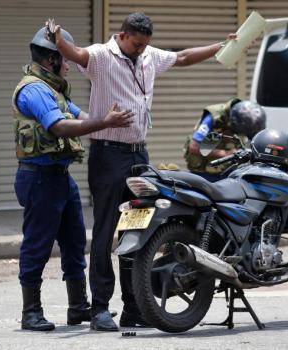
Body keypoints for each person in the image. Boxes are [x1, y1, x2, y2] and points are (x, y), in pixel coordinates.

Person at [47, 13, 238, 331]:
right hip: (108, 157)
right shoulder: (100, 57)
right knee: (107, 231)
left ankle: (133, 307)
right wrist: (58, 41)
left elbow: (184, 57)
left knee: (136, 230)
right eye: (136, 44)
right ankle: (100, 310)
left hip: (139, 156)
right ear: (122, 36)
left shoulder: (149, 55)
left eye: (145, 45)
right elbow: (75, 53)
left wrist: (222, 45)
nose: (140, 50)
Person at [12, 25, 133, 332]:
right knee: (38, 244)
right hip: (39, 178)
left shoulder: (53, 89)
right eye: (64, 59)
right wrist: (103, 122)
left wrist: (109, 120)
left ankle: (78, 307)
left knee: (75, 241)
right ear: (51, 59)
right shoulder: (34, 89)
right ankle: (31, 311)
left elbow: (81, 116)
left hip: (60, 178)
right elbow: (59, 127)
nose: (68, 64)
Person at [184, 100, 267, 182]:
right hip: (204, 170)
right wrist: (225, 154)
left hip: (228, 171)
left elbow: (255, 142)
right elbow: (194, 147)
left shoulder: (249, 121)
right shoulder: (214, 117)